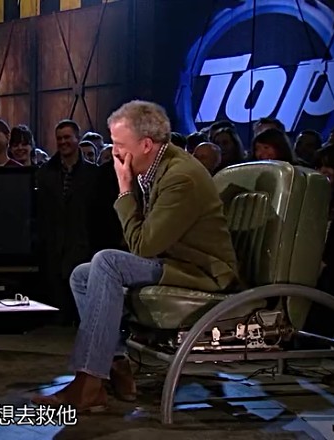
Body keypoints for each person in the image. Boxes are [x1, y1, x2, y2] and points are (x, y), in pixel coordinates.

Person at [32, 100, 238, 411]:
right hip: (173, 260)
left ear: (145, 145)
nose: (114, 153)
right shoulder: (157, 167)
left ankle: (89, 381)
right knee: (82, 275)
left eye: (119, 145)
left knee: (107, 261)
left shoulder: (181, 176)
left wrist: (125, 189)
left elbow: (143, 246)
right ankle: (116, 363)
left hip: (202, 271)